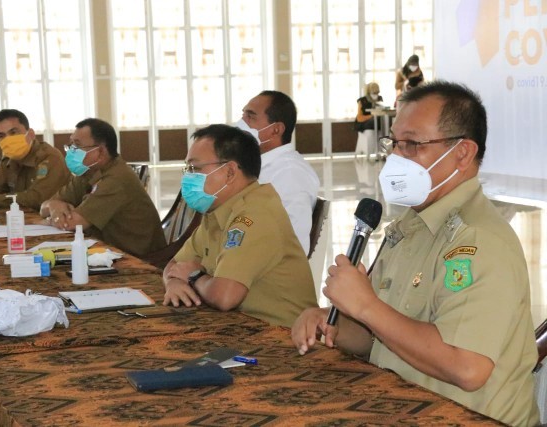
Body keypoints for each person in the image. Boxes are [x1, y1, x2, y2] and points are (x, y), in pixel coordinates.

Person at [291, 81, 539, 425]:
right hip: (402, 406)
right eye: (393, 143)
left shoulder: (478, 240)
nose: (395, 157)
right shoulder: (411, 226)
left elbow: (467, 367)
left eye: (411, 145)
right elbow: (381, 337)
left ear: (463, 153)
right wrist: (333, 321)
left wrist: (366, 305)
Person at [162, 124, 317, 327]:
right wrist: (173, 282)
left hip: (284, 340)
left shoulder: (255, 215)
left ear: (229, 172)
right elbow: (174, 266)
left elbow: (225, 297)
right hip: (242, 327)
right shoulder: (216, 212)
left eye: (195, 168)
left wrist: (193, 276)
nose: (187, 177)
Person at [40, 118, 166, 257]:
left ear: (100, 151)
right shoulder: (87, 173)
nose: (71, 152)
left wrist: (56, 214)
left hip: (137, 258)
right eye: (70, 146)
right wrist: (54, 206)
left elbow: (72, 224)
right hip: (107, 251)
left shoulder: (116, 179)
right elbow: (44, 207)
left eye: (77, 146)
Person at [236, 90, 319, 255]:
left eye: (250, 117)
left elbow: (292, 245)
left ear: (276, 130)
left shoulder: (290, 174)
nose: (241, 123)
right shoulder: (259, 166)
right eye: (243, 115)